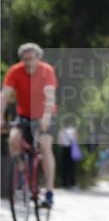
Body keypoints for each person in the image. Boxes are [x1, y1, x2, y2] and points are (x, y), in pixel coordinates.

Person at [2, 43, 58, 207]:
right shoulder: (15, 71)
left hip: (45, 114)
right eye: (25, 59)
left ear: (38, 58)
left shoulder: (46, 71)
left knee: (44, 145)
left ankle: (49, 191)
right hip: (24, 114)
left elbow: (50, 96)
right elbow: (4, 95)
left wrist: (47, 116)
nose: (28, 63)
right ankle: (21, 173)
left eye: (31, 59)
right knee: (13, 138)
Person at [57, 121, 79, 189]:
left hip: (64, 149)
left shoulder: (61, 131)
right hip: (71, 149)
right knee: (72, 168)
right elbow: (77, 139)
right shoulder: (74, 130)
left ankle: (64, 184)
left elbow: (59, 142)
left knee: (64, 167)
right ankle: (72, 184)